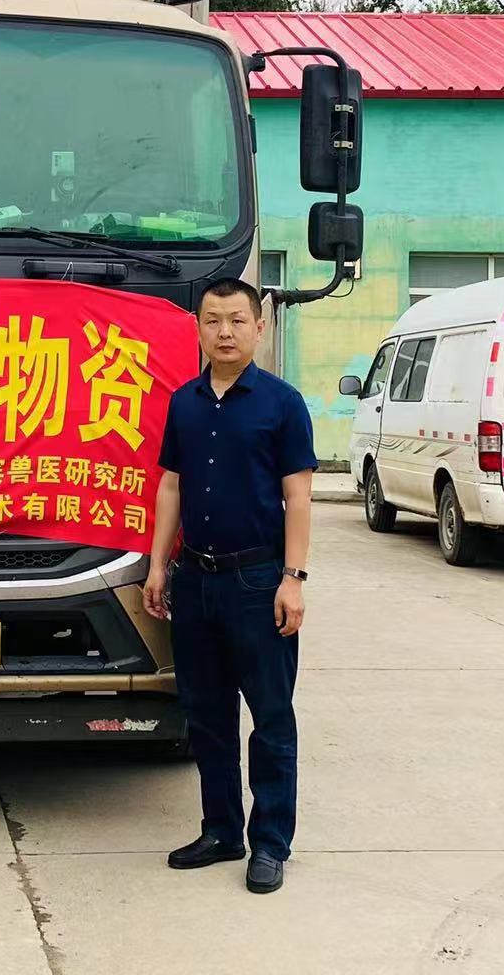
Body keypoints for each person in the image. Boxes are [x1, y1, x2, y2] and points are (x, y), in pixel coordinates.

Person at [142, 277, 316, 894]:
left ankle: (270, 843)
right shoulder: (184, 402)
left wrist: (293, 578)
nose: (225, 332)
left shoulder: (283, 404)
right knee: (208, 717)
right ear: (198, 328)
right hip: (196, 579)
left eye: (237, 321)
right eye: (213, 320)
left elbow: (299, 497)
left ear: (258, 328)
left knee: (270, 718)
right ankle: (220, 831)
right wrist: (159, 565)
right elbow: (171, 485)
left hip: (257, 581)